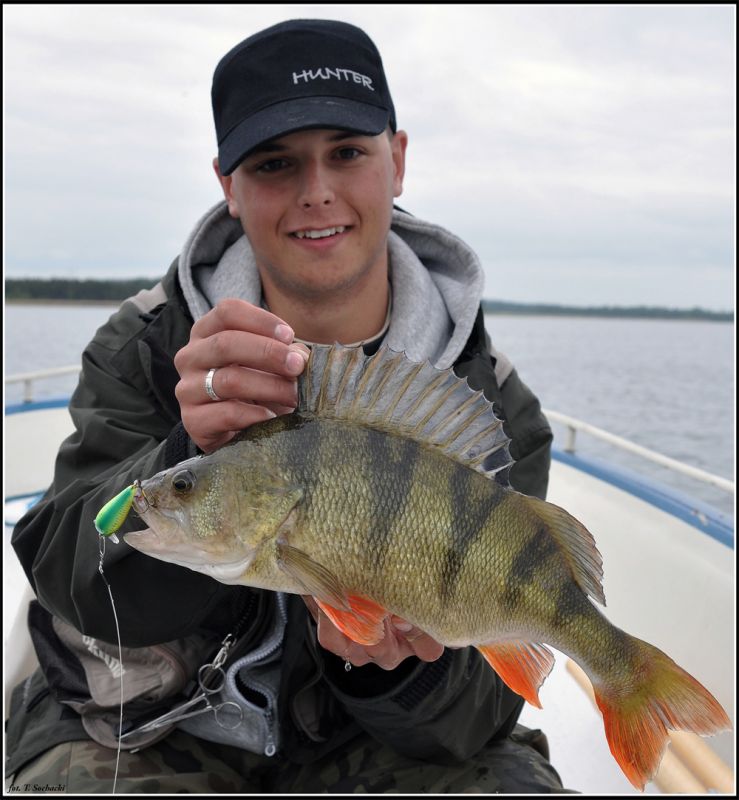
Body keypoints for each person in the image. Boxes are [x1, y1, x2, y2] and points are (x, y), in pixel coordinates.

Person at [6, 19, 566, 794]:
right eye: (274, 163)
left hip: (367, 742)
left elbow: (474, 718)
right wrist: (181, 453)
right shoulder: (147, 346)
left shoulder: (491, 407)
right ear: (227, 185)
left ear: (397, 161)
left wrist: (394, 672)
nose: (316, 191)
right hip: (152, 726)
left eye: (347, 152)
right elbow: (73, 572)